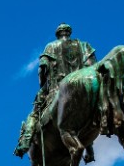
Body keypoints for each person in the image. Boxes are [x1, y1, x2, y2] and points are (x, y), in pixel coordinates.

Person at [15, 23, 97, 158]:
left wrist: (43, 84)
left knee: (34, 115)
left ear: (58, 34)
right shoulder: (83, 45)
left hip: (56, 89)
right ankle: (89, 149)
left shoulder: (51, 46)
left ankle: (24, 142)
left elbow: (42, 68)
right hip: (83, 87)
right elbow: (91, 66)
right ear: (69, 33)